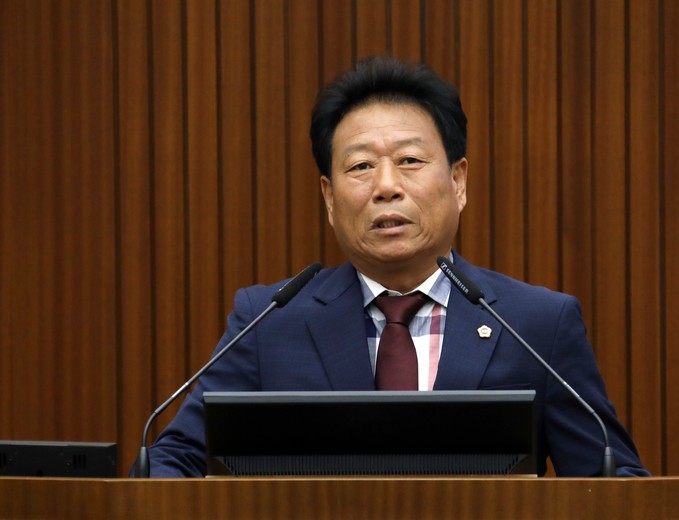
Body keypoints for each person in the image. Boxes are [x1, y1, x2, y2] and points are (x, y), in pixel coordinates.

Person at [143, 56, 649, 477]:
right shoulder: (268, 321)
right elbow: (172, 461)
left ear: (458, 182)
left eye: (409, 161)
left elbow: (612, 479)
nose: (386, 186)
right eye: (361, 166)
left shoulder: (537, 323)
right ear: (329, 198)